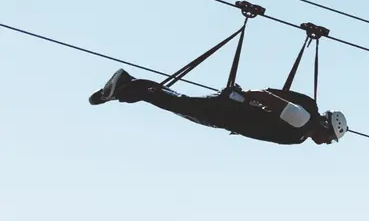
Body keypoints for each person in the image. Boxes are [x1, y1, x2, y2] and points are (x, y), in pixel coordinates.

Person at [88, 68, 347, 146]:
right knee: (178, 104)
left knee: (179, 103)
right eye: (330, 138)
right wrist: (242, 98)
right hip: (229, 112)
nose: (327, 142)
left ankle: (129, 86)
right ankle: (127, 86)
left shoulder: (302, 130)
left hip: (230, 115)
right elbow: (267, 98)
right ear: (326, 126)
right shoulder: (302, 120)